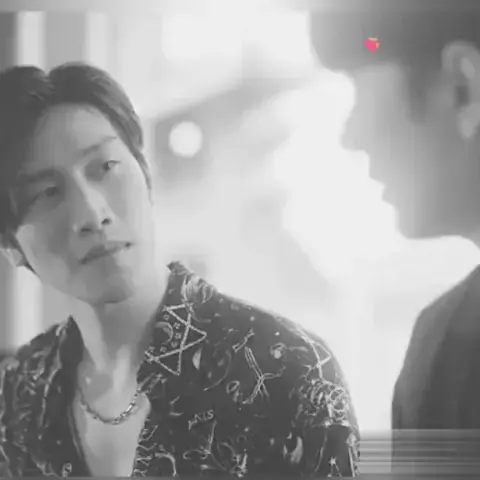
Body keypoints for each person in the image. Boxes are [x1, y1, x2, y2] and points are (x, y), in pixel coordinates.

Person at [0, 62, 359, 477]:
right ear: (10, 246)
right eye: (48, 192)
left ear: (145, 172)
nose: (93, 214)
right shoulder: (19, 397)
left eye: (106, 167)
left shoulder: (284, 369)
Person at [310, 0, 480, 469]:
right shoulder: (440, 348)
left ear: (463, 86)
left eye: (358, 87)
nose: (351, 135)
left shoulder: (444, 356)